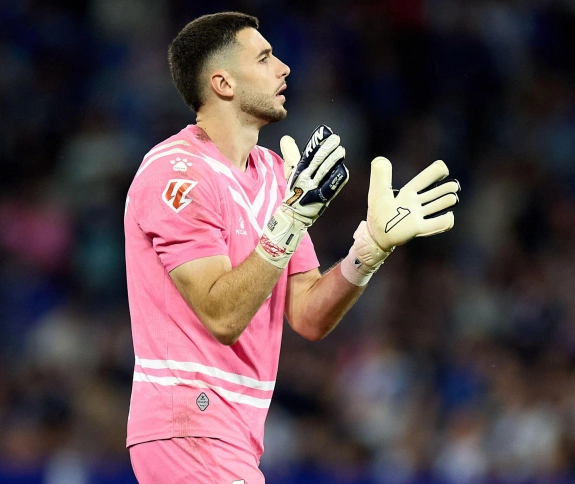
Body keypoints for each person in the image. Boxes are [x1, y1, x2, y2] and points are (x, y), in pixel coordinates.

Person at [124, 11, 460, 483]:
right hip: (189, 426)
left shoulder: (277, 176)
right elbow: (221, 315)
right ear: (223, 83)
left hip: (235, 434)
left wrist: (368, 251)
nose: (283, 68)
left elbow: (307, 314)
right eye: (264, 58)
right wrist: (290, 221)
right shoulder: (176, 174)